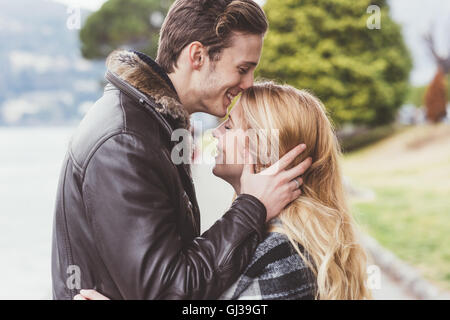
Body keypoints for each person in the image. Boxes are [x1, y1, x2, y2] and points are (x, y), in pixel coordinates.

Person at [52, 0, 311, 300]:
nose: (249, 83)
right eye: (242, 69)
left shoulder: (153, 126)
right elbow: (166, 291)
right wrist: (251, 206)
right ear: (198, 55)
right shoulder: (126, 141)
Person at [76, 82, 373, 301]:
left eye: (229, 126)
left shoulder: (281, 254)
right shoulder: (267, 236)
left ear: (263, 149)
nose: (215, 133)